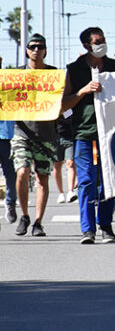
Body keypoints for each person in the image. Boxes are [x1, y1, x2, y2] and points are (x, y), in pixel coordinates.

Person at [61, 27, 115, 244]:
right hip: (85, 134)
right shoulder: (74, 69)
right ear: (86, 45)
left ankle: (105, 225)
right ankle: (88, 230)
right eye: (97, 41)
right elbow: (63, 105)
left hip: (112, 133)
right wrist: (83, 91)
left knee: (109, 182)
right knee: (87, 181)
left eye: (104, 39)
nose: (102, 44)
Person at [11, 34, 59, 237]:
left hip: (46, 134)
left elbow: (62, 101)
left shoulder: (53, 74)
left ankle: (38, 221)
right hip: (22, 131)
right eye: (32, 47)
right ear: (27, 51)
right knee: (22, 171)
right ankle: (24, 215)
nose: (36, 50)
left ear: (45, 50)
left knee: (42, 178)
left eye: (40, 46)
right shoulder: (17, 75)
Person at [52, 115, 77, 204]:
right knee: (57, 165)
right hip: (56, 137)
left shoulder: (70, 101)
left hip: (70, 136)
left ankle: (70, 191)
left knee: (70, 163)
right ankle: (60, 193)